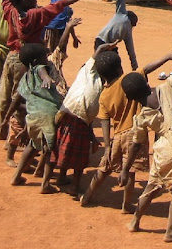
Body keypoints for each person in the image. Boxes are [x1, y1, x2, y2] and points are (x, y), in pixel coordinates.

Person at [0, 0, 100, 159]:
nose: (36, 1)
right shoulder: (35, 15)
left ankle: (0, 127)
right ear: (26, 0)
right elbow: (59, 5)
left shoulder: (10, 10)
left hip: (11, 57)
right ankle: (15, 142)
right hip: (26, 62)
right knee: (23, 100)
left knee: (5, 95)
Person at [118, 36, 172, 242]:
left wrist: (125, 169)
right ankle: (169, 232)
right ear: (146, 82)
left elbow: (135, 145)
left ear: (131, 98)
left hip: (164, 151)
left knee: (151, 188)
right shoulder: (167, 89)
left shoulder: (140, 117)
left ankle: (134, 222)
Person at [80, 45, 172, 211]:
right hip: (135, 134)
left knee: (105, 168)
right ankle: (126, 206)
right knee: (130, 171)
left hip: (118, 136)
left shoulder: (104, 95)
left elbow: (105, 122)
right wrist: (167, 56)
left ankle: (87, 196)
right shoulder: (128, 80)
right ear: (120, 68)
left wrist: (107, 146)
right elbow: (148, 68)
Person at [50, 42, 122, 199]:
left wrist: (93, 137)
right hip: (75, 117)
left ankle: (62, 176)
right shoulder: (88, 70)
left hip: (72, 116)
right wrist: (108, 46)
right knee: (79, 157)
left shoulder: (102, 84)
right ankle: (74, 185)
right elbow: (99, 51)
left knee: (66, 148)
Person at [0, 43, 63, 193]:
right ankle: (45, 184)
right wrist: (46, 77)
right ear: (35, 61)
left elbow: (15, 101)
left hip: (32, 116)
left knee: (33, 145)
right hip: (48, 115)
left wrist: (5, 118)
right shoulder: (39, 69)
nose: (47, 59)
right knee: (50, 150)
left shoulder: (24, 79)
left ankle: (17, 176)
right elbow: (41, 70)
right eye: (44, 57)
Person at [96, 0, 138, 70]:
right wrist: (135, 65)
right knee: (109, 68)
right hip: (103, 42)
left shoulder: (124, 22)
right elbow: (130, 49)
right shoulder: (122, 14)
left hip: (105, 43)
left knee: (105, 67)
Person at [46, 17, 82, 97]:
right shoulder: (51, 61)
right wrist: (68, 28)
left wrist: (71, 32)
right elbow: (60, 46)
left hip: (61, 31)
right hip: (60, 96)